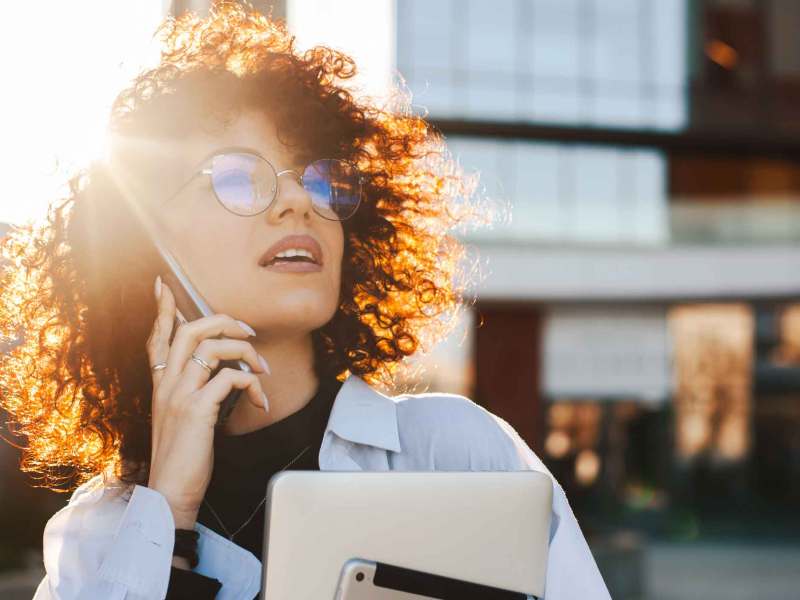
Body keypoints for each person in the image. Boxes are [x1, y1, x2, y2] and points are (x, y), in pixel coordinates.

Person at [0, 2, 610, 598]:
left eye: (321, 179)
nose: (299, 202)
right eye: (237, 175)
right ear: (145, 248)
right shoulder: (98, 530)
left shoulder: (457, 452)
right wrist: (168, 515)